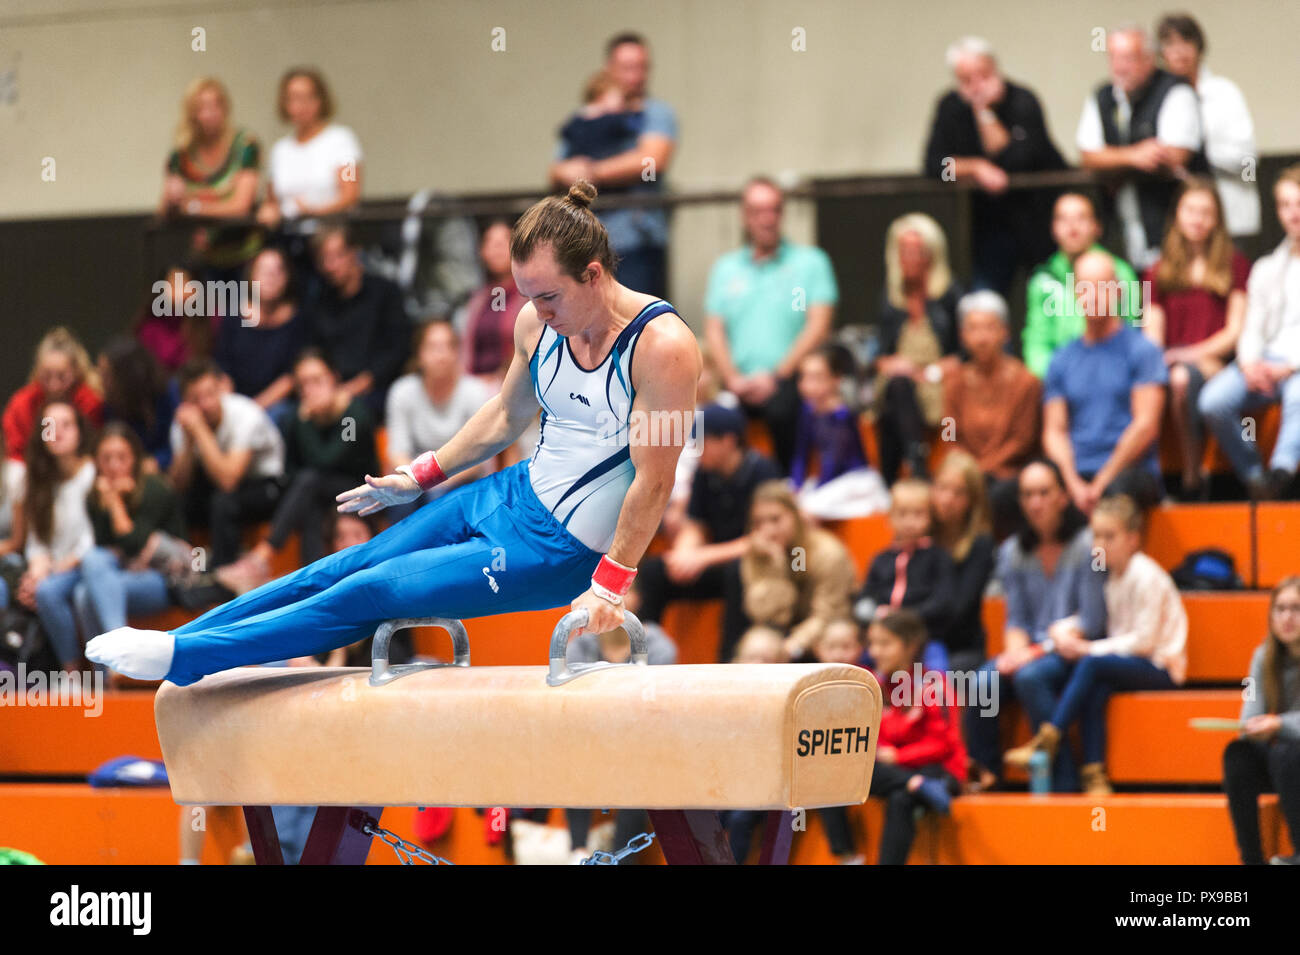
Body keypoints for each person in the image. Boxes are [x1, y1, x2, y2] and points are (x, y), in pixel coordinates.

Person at [86, 181, 702, 688]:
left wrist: (610, 588)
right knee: (349, 562)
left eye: (548, 297)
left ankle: (189, 658)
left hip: (559, 552)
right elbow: (505, 417)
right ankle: (179, 642)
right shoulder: (536, 324)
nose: (536, 312)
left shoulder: (662, 347)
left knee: (375, 590)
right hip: (510, 493)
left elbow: (654, 479)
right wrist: (419, 475)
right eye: (526, 296)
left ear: (593, 276)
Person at [1005, 494, 1187, 796]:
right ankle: (1094, 773)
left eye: (1109, 536)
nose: (1099, 545)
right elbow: (1098, 624)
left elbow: (1143, 642)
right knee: (1095, 687)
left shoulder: (1146, 576)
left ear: (1132, 539)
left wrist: (1088, 649)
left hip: (1163, 666)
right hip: (1134, 662)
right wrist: (1062, 630)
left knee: (1091, 665)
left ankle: (1049, 740)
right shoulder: (1114, 578)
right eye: (1096, 536)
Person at [963, 459, 1107, 792]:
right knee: (984, 680)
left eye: (1044, 492)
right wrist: (1014, 654)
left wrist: (1032, 654)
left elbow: (1093, 621)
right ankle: (986, 778)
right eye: (1028, 495)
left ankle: (1065, 783)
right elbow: (1016, 620)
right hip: (1034, 650)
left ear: (1062, 496)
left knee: (1030, 676)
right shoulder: (1013, 550)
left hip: (1077, 650)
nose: (1036, 502)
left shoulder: (1088, 545)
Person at [213, 349, 379, 594]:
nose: (310, 390)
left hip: (359, 491)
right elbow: (289, 469)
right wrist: (304, 422)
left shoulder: (351, 416)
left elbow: (328, 459)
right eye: (303, 384)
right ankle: (314, 590)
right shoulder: (295, 419)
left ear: (334, 378)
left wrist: (306, 422)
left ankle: (262, 557)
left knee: (310, 480)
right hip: (317, 495)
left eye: (317, 380)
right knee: (309, 503)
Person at [703, 177, 838, 472]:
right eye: (758, 211)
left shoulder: (808, 264)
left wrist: (777, 376)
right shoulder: (726, 270)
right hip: (737, 383)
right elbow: (714, 330)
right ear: (744, 216)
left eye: (774, 210)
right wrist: (733, 378)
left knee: (782, 410)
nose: (767, 219)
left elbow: (818, 326)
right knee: (711, 420)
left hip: (788, 379)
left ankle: (786, 490)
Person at [636, 402, 780, 662]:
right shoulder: (705, 474)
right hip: (719, 562)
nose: (696, 450)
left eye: (701, 442)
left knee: (739, 571)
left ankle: (728, 663)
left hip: (757, 564)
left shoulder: (763, 472)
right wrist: (683, 554)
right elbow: (695, 524)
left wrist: (701, 557)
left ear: (728, 441)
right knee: (654, 571)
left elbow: (768, 538)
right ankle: (642, 655)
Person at [922, 36, 1064, 295]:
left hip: (1038, 222)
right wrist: (974, 167)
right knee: (985, 300)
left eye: (983, 76)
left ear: (996, 69)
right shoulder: (950, 107)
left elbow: (1017, 162)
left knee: (1051, 295)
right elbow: (934, 165)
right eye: (966, 80)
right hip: (988, 229)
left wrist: (984, 112)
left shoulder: (1023, 100)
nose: (977, 86)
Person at [1141, 178, 1249, 499]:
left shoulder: (1236, 265)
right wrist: (1162, 358)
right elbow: (1152, 330)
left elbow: (1234, 332)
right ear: (1177, 215)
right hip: (1173, 364)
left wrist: (1188, 355)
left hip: (1220, 364)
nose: (1197, 219)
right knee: (1170, 378)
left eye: (1206, 212)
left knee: (1180, 378)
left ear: (1217, 219)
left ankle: (1192, 477)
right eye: (1190, 210)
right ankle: (1176, 474)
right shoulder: (1155, 271)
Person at [1198, 165, 1300, 501]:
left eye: (1298, 203)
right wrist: (1249, 364)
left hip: (1296, 367)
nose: (1293, 213)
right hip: (1264, 362)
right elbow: (1252, 327)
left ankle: (1283, 470)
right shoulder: (1267, 266)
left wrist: (1290, 366)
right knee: (1213, 399)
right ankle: (1256, 477)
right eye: (1285, 205)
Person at [549, 33, 677, 299]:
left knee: (640, 324)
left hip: (637, 242)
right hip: (586, 245)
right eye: (628, 67)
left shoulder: (654, 113)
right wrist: (573, 172)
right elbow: (557, 168)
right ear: (609, 69)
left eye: (642, 67)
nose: (637, 75)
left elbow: (652, 161)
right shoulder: (585, 116)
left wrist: (591, 174)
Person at [1042, 250, 1167, 516]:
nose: (1094, 295)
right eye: (1086, 288)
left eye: (1103, 287)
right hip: (1078, 472)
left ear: (1119, 291)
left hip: (1131, 472)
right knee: (1035, 491)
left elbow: (1145, 426)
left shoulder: (1143, 351)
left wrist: (1101, 483)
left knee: (1112, 498)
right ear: (1075, 293)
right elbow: (1054, 431)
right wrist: (1072, 482)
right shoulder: (1061, 359)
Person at [563, 578, 676, 864]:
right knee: (572, 755)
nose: (610, 604)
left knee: (637, 775)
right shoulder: (580, 646)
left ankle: (622, 858)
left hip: (643, 744)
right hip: (594, 739)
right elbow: (575, 708)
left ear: (637, 600)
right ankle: (577, 850)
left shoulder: (659, 645)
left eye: (622, 595)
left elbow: (657, 709)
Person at [1076, 24, 1206, 271]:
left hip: (1172, 228)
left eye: (1128, 58)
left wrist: (1112, 159)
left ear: (1149, 59)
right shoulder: (1103, 96)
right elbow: (1087, 155)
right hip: (1121, 226)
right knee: (1129, 300)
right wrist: (1133, 156)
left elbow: (1175, 156)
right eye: (1113, 57)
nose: (1119, 66)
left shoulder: (1175, 90)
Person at [75, 424, 184, 671]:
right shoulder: (94, 496)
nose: (114, 466)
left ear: (134, 459)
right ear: (96, 462)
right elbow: (105, 545)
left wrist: (114, 502)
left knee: (91, 587)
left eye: (121, 457)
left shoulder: (154, 488)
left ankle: (118, 654)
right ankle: (105, 682)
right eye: (106, 459)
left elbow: (133, 543)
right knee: (84, 590)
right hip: (123, 575)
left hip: (164, 580)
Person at [865, 609, 967, 865]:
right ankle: (916, 784)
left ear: (910, 646)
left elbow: (944, 744)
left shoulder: (934, 685)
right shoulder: (875, 686)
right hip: (899, 772)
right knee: (850, 769)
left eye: (885, 643)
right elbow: (874, 737)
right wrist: (887, 752)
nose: (875, 651)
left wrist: (898, 755)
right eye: (872, 644)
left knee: (900, 797)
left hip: (941, 771)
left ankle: (917, 784)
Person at [167, 358, 286, 568]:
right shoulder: (182, 424)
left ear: (221, 389)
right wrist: (187, 444)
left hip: (267, 485)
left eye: (210, 394)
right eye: (195, 399)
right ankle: (188, 570)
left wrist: (200, 431)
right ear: (184, 401)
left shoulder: (245, 413)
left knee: (223, 501)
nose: (205, 404)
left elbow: (228, 480)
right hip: (217, 484)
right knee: (178, 502)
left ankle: (221, 576)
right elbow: (178, 485)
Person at [942, 289, 1041, 537]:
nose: (982, 337)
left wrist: (979, 471)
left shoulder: (1026, 382)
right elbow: (948, 434)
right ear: (963, 336)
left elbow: (1023, 440)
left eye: (989, 327)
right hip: (967, 474)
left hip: (1009, 474)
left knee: (995, 494)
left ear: (1004, 332)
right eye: (973, 329)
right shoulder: (953, 383)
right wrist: (967, 471)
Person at [873, 213, 963, 483]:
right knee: (896, 387)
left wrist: (932, 371)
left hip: (937, 381)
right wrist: (893, 365)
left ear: (932, 254)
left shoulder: (950, 294)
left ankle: (894, 476)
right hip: (901, 382)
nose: (910, 258)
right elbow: (878, 355)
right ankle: (914, 463)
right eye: (904, 251)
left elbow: (964, 353)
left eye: (918, 251)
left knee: (897, 394)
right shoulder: (890, 297)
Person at [1156, 13, 1261, 240]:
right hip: (1181, 225)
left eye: (1186, 42)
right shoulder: (1159, 100)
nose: (1179, 51)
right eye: (1170, 44)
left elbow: (1249, 160)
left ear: (1199, 48)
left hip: (1232, 220)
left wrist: (1197, 154)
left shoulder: (1225, 92)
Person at [1223, 576, 1300, 866]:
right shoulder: (1262, 656)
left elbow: (1280, 726)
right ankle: (1251, 859)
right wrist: (1252, 727)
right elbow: (1251, 711)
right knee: (1237, 754)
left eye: (1295, 609)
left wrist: (1279, 724)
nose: (1287, 617)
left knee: (1285, 753)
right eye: (1280, 609)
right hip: (1282, 757)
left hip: (1291, 756)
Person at [1022, 192, 1142, 379]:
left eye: (1081, 218)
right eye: (1064, 219)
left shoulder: (1119, 272)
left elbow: (1131, 330)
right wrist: (1056, 379)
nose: (1072, 226)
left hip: (1111, 373)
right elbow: (1036, 343)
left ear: (1097, 226)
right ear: (1053, 228)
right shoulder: (1043, 279)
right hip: (1060, 377)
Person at [16, 400, 96, 673]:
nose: (58, 432)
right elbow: (36, 540)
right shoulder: (37, 480)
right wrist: (37, 569)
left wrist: (59, 568)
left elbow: (94, 537)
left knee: (49, 592)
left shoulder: (92, 474)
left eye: (66, 425)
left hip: (85, 565)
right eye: (50, 426)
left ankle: (73, 671)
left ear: (80, 432)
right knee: (33, 588)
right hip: (54, 569)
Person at [384, 320, 494, 513]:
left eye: (447, 347)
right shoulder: (402, 391)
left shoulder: (475, 391)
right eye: (433, 347)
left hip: (461, 477)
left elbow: (479, 457)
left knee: (444, 500)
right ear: (419, 355)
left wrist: (437, 481)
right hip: (415, 478)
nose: (440, 355)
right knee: (401, 500)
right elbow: (397, 452)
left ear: (456, 353)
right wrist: (418, 480)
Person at [158, 76, 262, 279]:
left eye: (216, 106)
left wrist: (193, 206)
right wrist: (173, 200)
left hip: (245, 254)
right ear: (192, 113)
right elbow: (164, 211)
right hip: (205, 255)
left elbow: (240, 206)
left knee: (238, 305)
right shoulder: (182, 154)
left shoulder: (245, 146)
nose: (210, 114)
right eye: (202, 108)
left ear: (225, 108)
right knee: (174, 291)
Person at [740, 480, 855, 662]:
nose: (768, 529)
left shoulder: (827, 552)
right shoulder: (759, 554)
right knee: (757, 645)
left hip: (825, 633)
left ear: (795, 515)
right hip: (782, 633)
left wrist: (793, 645)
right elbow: (765, 615)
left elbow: (828, 614)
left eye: (775, 519)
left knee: (835, 637)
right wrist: (776, 566)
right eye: (758, 522)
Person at [310, 224, 412, 418]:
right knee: (295, 415)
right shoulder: (320, 301)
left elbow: (398, 349)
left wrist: (357, 386)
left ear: (354, 252)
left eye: (337, 256)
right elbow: (315, 350)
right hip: (331, 388)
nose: (330, 266)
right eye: (324, 259)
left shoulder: (386, 292)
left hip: (377, 389)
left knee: (353, 413)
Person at [854, 478, 954, 671]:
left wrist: (903, 617)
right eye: (902, 514)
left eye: (918, 514)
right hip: (880, 642)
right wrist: (876, 613)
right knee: (858, 673)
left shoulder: (938, 557)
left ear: (930, 517)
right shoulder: (881, 559)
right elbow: (865, 597)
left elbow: (943, 602)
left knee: (937, 677)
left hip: (924, 640)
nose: (910, 521)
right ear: (890, 518)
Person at [789, 345, 888, 519]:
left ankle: (810, 547)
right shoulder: (807, 410)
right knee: (785, 497)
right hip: (831, 481)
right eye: (804, 377)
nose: (808, 384)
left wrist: (816, 490)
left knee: (807, 508)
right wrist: (796, 485)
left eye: (817, 377)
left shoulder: (842, 414)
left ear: (836, 379)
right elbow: (800, 454)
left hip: (855, 480)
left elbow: (835, 462)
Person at [213, 246, 306, 430]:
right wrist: (233, 408)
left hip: (276, 404)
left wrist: (254, 408)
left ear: (287, 278)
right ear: (251, 276)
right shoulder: (234, 316)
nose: (271, 278)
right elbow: (223, 369)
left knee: (280, 416)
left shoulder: (298, 320)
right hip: (236, 399)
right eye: (265, 271)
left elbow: (291, 377)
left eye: (278, 271)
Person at [930, 450, 996, 672]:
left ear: (972, 500)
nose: (947, 499)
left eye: (959, 493)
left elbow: (959, 611)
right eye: (942, 488)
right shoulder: (920, 535)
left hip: (961, 648)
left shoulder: (981, 545)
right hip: (913, 643)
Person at [4, 327, 104, 462]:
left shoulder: (90, 403)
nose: (54, 385)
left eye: (62, 377)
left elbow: (93, 450)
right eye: (46, 376)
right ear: (37, 371)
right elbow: (14, 453)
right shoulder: (23, 403)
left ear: (76, 371)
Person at [457, 220, 527, 392]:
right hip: (472, 385)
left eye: (502, 243)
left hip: (513, 383)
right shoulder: (476, 298)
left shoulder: (529, 295)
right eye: (490, 243)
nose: (496, 249)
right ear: (482, 252)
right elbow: (465, 348)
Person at [97, 337, 179, 474]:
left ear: (127, 377)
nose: (101, 382)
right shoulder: (111, 404)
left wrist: (158, 461)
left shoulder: (167, 393)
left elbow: (178, 444)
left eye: (107, 376)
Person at [132, 264, 219, 374]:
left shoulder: (212, 319)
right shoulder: (150, 326)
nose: (177, 291)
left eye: (183, 284)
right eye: (172, 284)